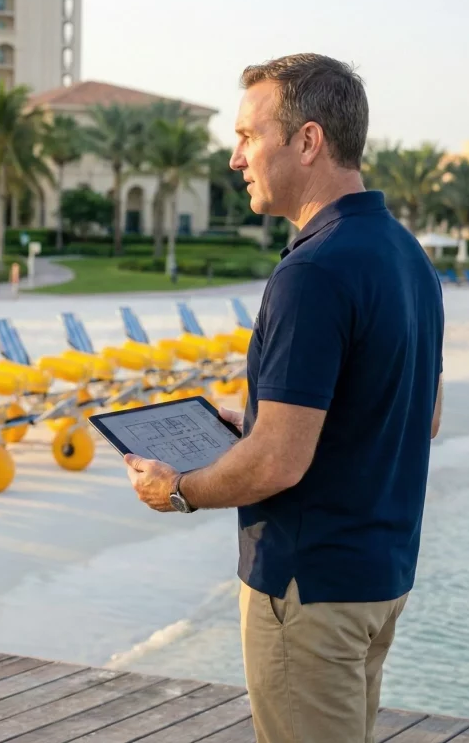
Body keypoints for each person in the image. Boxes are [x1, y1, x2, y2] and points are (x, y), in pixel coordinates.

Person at [124, 53, 444, 743]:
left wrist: (178, 487)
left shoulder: (313, 271)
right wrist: (265, 420)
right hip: (380, 580)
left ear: (307, 141)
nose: (236, 157)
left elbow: (277, 466)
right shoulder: (406, 254)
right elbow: (423, 411)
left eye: (247, 135)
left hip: (309, 589)